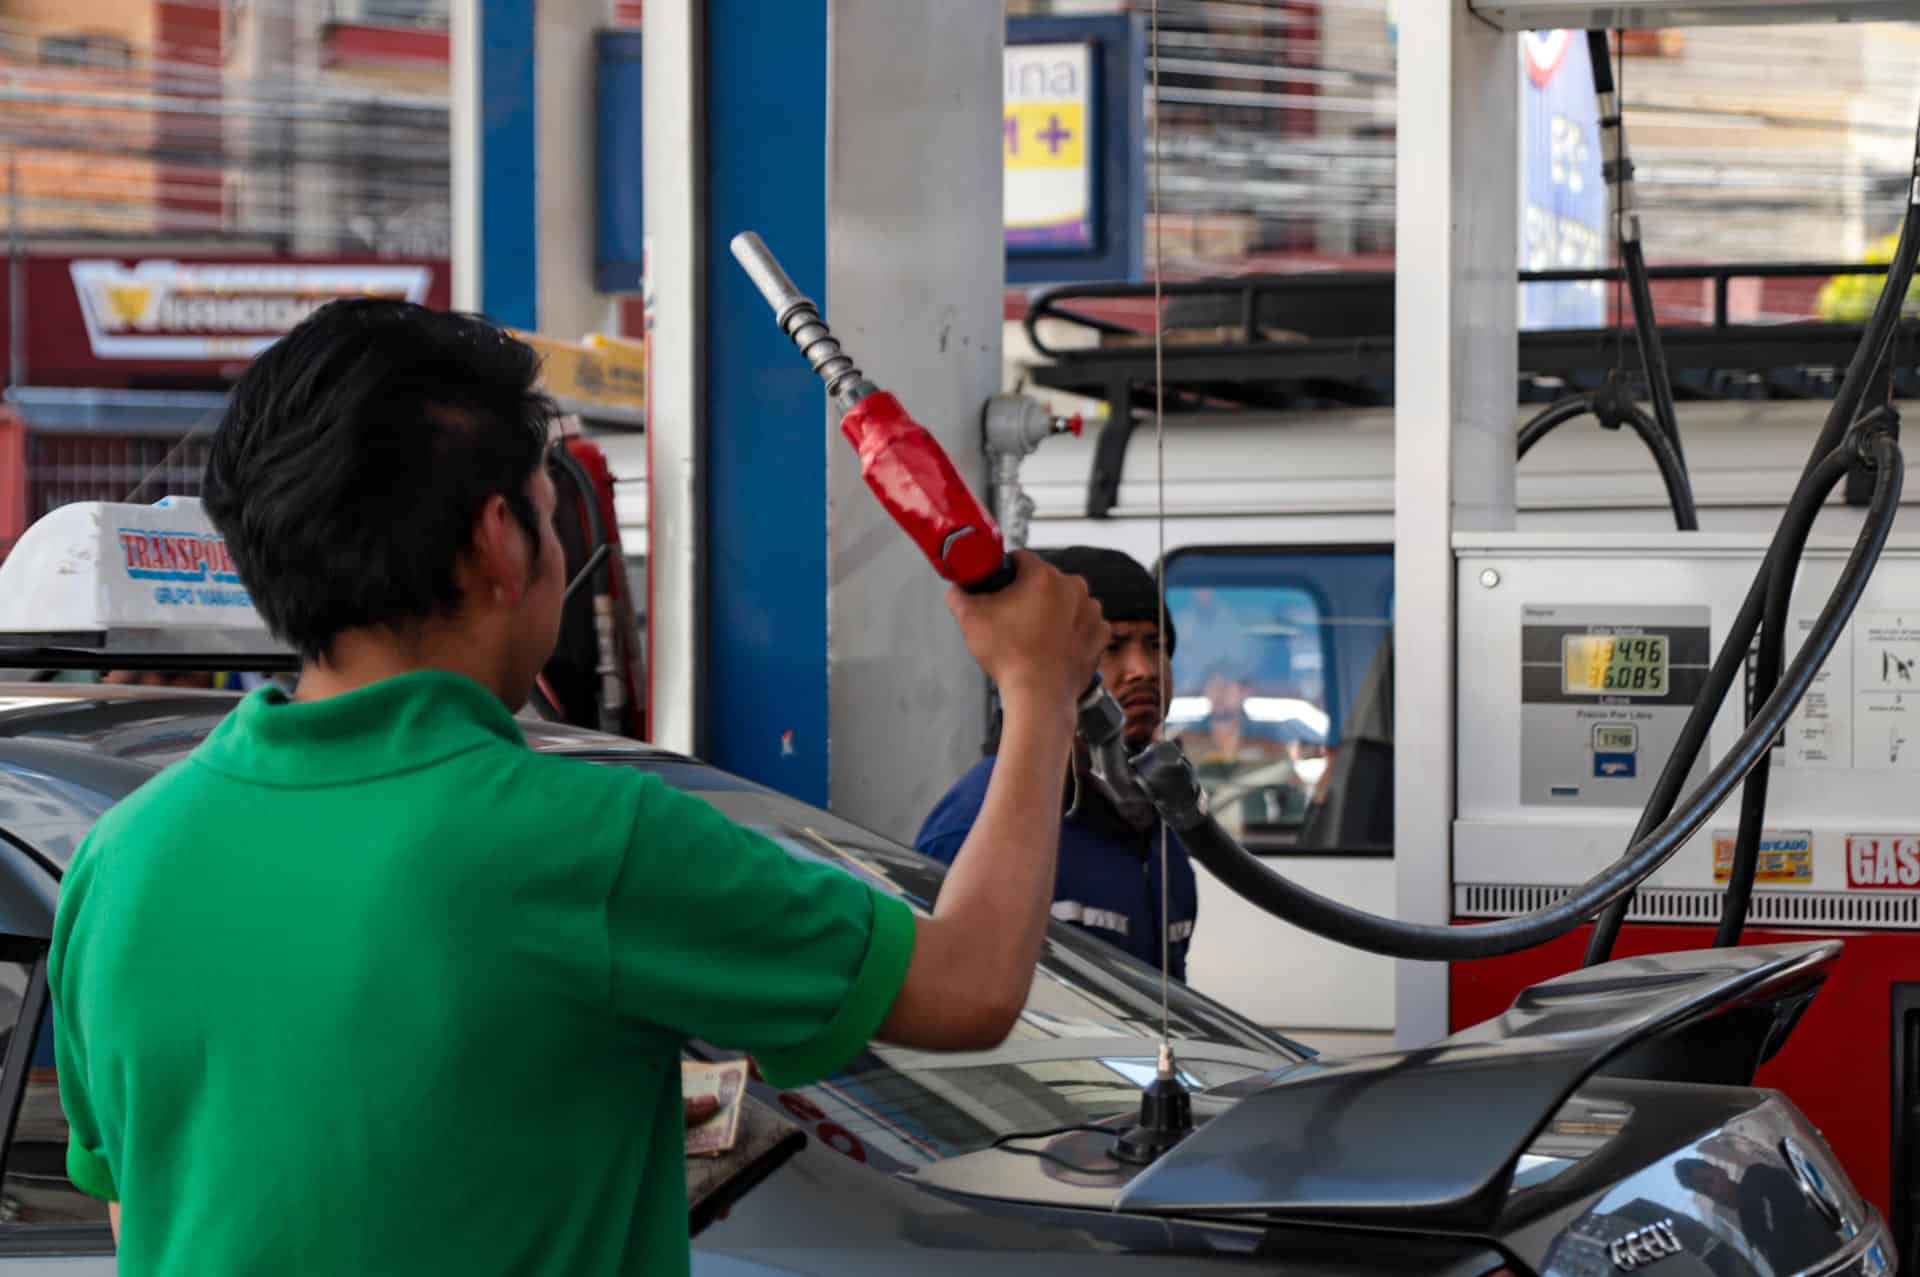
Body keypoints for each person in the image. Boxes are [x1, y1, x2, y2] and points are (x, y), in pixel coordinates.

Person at [48, 299, 1107, 1277]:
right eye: (553, 519)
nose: (561, 554)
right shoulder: (585, 839)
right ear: (498, 543)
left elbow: (142, 1213)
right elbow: (967, 984)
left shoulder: (120, 857)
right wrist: (1039, 687)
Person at [915, 546, 1198, 978]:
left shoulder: (1153, 823)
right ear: (1060, 664)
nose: (1143, 669)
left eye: (1156, 645)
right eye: (1113, 647)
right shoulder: (981, 821)